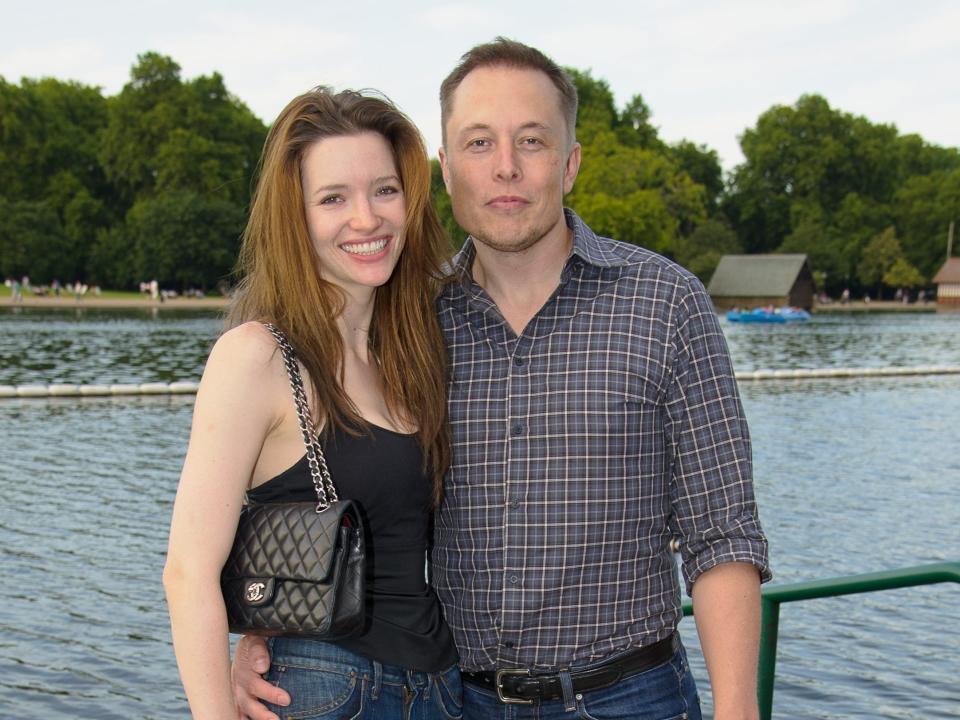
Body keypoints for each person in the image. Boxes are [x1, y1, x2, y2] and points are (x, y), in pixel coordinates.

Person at [235, 38, 770, 720]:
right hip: (457, 699)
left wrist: (738, 706)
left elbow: (722, 531)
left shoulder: (668, 304)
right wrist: (264, 631)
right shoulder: (406, 322)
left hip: (633, 698)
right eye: (480, 144)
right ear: (447, 171)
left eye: (533, 141)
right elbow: (361, 509)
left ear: (570, 164)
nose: (507, 168)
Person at [163, 87, 461, 719]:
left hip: (440, 687)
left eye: (385, 189)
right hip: (331, 691)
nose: (367, 218)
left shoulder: (412, 349)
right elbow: (188, 572)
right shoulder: (258, 356)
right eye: (333, 198)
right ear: (294, 217)